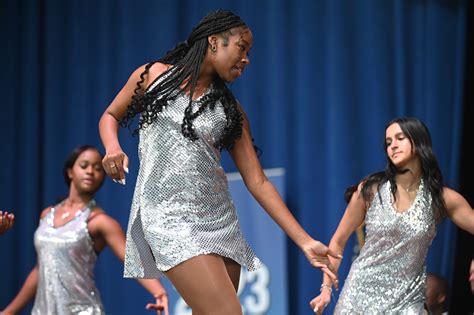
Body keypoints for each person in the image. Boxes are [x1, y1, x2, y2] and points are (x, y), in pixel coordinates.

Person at [98, 9, 340, 315]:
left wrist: (304, 242)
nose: (247, 59)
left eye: (249, 52)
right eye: (242, 47)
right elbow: (110, 115)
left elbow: (258, 181)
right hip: (168, 217)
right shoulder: (153, 75)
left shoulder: (230, 110)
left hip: (219, 222)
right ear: (214, 41)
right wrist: (112, 147)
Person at [309, 117, 474, 314]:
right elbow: (337, 242)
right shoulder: (371, 190)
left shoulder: (442, 198)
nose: (393, 146)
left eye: (399, 138)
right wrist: (326, 289)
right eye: (388, 142)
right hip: (359, 296)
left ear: (419, 141)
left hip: (408, 300)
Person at [0, 145, 168, 315]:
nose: (90, 171)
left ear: (102, 177)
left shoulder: (100, 221)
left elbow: (132, 260)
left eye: (97, 168)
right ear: (70, 172)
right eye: (84, 165)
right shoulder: (47, 215)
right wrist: (9, 311)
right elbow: (40, 269)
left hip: (83, 310)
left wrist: (159, 292)